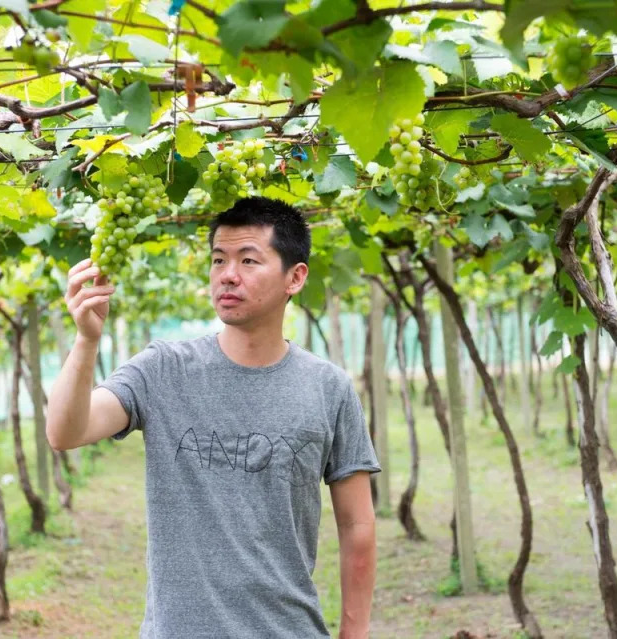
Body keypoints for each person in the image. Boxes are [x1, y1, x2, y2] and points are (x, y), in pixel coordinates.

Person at [47, 196, 382, 639]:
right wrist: (86, 341)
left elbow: (357, 524)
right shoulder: (163, 368)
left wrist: (354, 635)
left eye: (248, 260)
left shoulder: (328, 387)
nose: (228, 274)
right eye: (219, 259)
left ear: (295, 277)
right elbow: (67, 431)